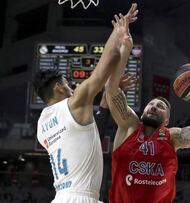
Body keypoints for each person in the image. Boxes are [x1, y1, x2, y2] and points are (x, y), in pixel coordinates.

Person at [105, 15, 190, 203]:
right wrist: (125, 50)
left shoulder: (172, 136)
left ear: (166, 120)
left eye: (160, 107)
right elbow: (111, 91)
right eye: (151, 104)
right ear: (142, 112)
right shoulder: (129, 126)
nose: (153, 107)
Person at [32, 4, 138, 203]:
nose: (71, 87)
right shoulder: (74, 104)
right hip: (82, 198)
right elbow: (105, 64)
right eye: (66, 82)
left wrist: (111, 92)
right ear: (58, 86)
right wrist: (119, 32)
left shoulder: (42, 126)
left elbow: (89, 133)